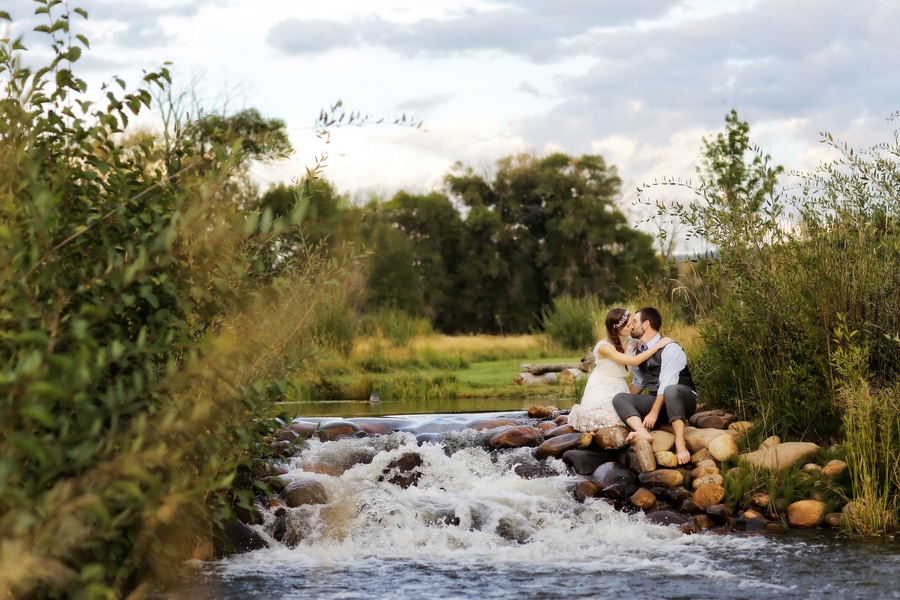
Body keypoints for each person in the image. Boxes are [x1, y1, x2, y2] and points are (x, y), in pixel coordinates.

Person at [611, 306, 697, 465]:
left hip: (683, 399)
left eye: (635, 321)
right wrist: (619, 402)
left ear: (646, 324)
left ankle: (680, 442)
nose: (631, 326)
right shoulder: (639, 352)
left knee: (671, 390)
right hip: (657, 401)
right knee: (619, 398)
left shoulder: (670, 348)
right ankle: (642, 432)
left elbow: (666, 384)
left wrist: (653, 414)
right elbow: (639, 383)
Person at [568, 307, 673, 433]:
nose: (632, 327)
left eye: (632, 323)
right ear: (617, 329)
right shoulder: (603, 347)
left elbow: (645, 343)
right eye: (628, 325)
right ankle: (595, 428)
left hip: (620, 387)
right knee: (613, 416)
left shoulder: (631, 342)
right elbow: (634, 361)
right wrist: (658, 345)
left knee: (624, 412)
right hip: (602, 388)